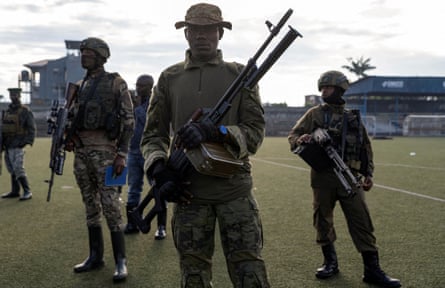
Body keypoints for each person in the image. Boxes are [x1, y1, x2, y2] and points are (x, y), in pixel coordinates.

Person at [140, 3, 270, 287]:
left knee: (250, 273)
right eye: (195, 29)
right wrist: (160, 169)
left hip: (234, 192)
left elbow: (255, 133)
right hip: (189, 195)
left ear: (220, 34)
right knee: (194, 275)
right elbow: (153, 136)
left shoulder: (241, 75)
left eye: (209, 29)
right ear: (186, 34)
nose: (202, 36)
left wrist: (218, 131)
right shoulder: (169, 78)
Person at [288, 70, 401, 288]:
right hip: (323, 177)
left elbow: (365, 147)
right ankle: (330, 262)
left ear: (339, 89)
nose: (323, 92)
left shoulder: (352, 117)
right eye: (321, 88)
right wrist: (301, 139)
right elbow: (293, 135)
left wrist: (368, 173)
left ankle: (372, 270)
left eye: (327, 88)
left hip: (350, 177)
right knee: (322, 219)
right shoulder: (314, 114)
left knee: (362, 221)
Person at [65, 37, 134, 282]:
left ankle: (121, 261)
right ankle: (96, 256)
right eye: (83, 52)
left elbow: (128, 121)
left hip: (108, 154)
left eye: (89, 53)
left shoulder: (116, 83)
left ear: (102, 56)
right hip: (82, 154)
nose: (84, 56)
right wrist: (69, 136)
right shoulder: (80, 85)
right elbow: (73, 118)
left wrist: (122, 154)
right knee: (90, 205)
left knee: (111, 205)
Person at [124, 74, 167, 240]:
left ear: (150, 87)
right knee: (134, 188)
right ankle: (132, 223)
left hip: (150, 153)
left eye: (141, 85)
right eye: (137, 85)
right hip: (133, 151)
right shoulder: (133, 102)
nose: (138, 88)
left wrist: (137, 108)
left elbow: (149, 122)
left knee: (158, 189)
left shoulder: (154, 103)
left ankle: (161, 227)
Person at [1, 88, 36, 201]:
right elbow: (3, 128)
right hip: (8, 144)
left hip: (18, 144)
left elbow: (32, 128)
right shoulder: (7, 111)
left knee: (18, 168)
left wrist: (26, 141)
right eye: (11, 95)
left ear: (19, 95)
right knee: (11, 168)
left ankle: (27, 191)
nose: (13, 97)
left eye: (15, 95)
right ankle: (15, 191)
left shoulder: (25, 111)